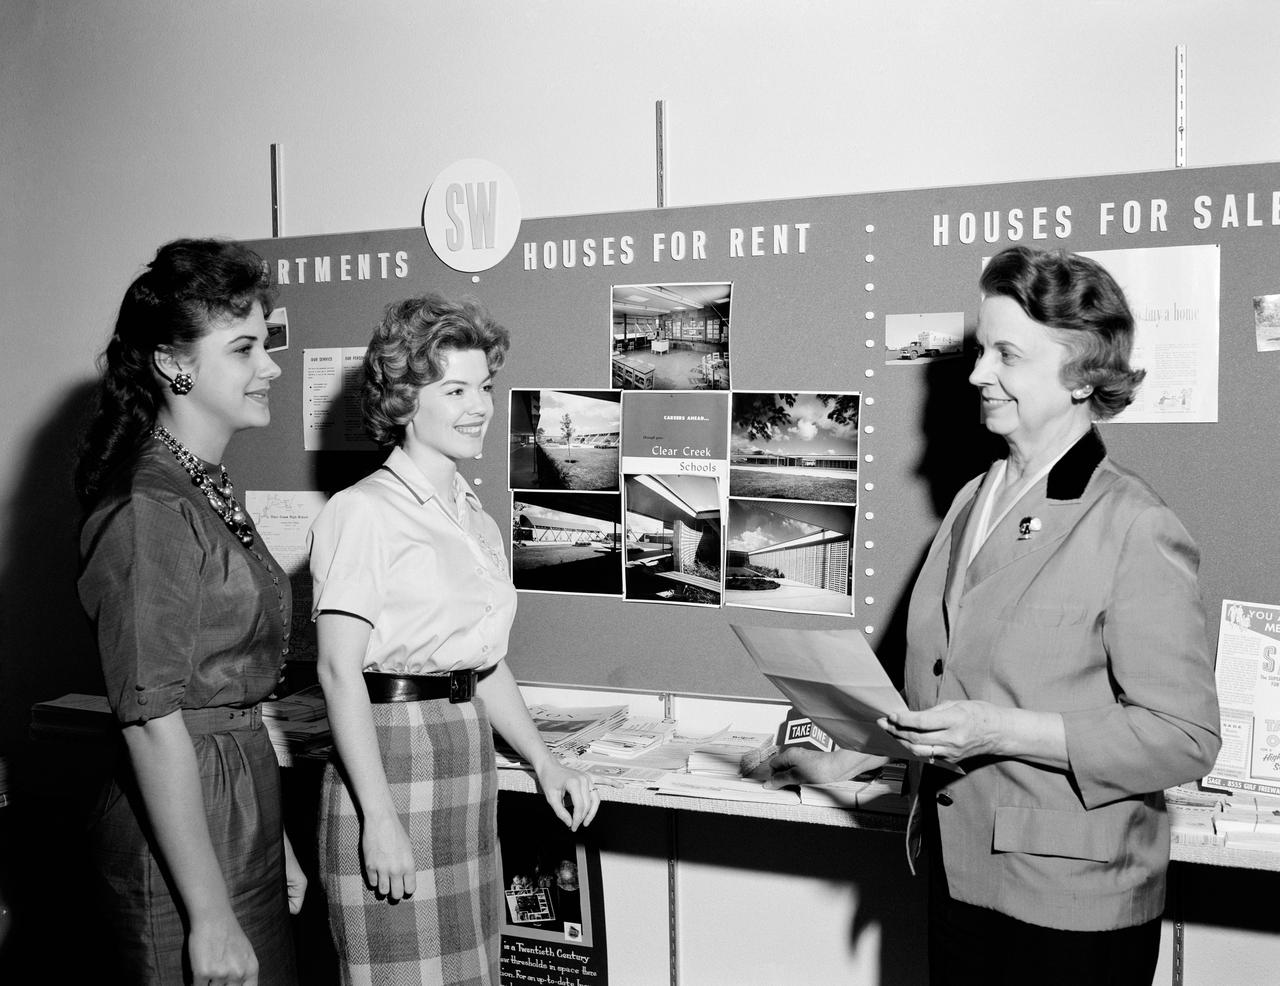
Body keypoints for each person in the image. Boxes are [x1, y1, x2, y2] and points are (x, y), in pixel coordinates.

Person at [767, 245, 1221, 985]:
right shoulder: (975, 499)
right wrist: (843, 758)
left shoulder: (1134, 525)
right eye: (982, 350)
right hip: (958, 871)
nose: (978, 373)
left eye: (1007, 353)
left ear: (1082, 375)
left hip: (1070, 905)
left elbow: (1185, 738)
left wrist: (999, 730)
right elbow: (942, 686)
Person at [308, 293, 599, 985]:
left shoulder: (476, 519)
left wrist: (544, 763)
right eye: (456, 388)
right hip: (386, 761)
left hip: (464, 757)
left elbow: (483, 662)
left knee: (471, 971)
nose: (480, 406)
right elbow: (338, 674)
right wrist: (376, 818)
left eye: (486, 388)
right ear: (406, 400)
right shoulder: (362, 512)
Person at [76, 239, 306, 986]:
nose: (270, 364)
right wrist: (209, 917)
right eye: (244, 348)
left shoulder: (202, 485)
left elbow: (230, 694)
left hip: (239, 807)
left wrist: (277, 844)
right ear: (174, 364)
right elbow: (151, 721)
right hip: (179, 829)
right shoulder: (150, 506)